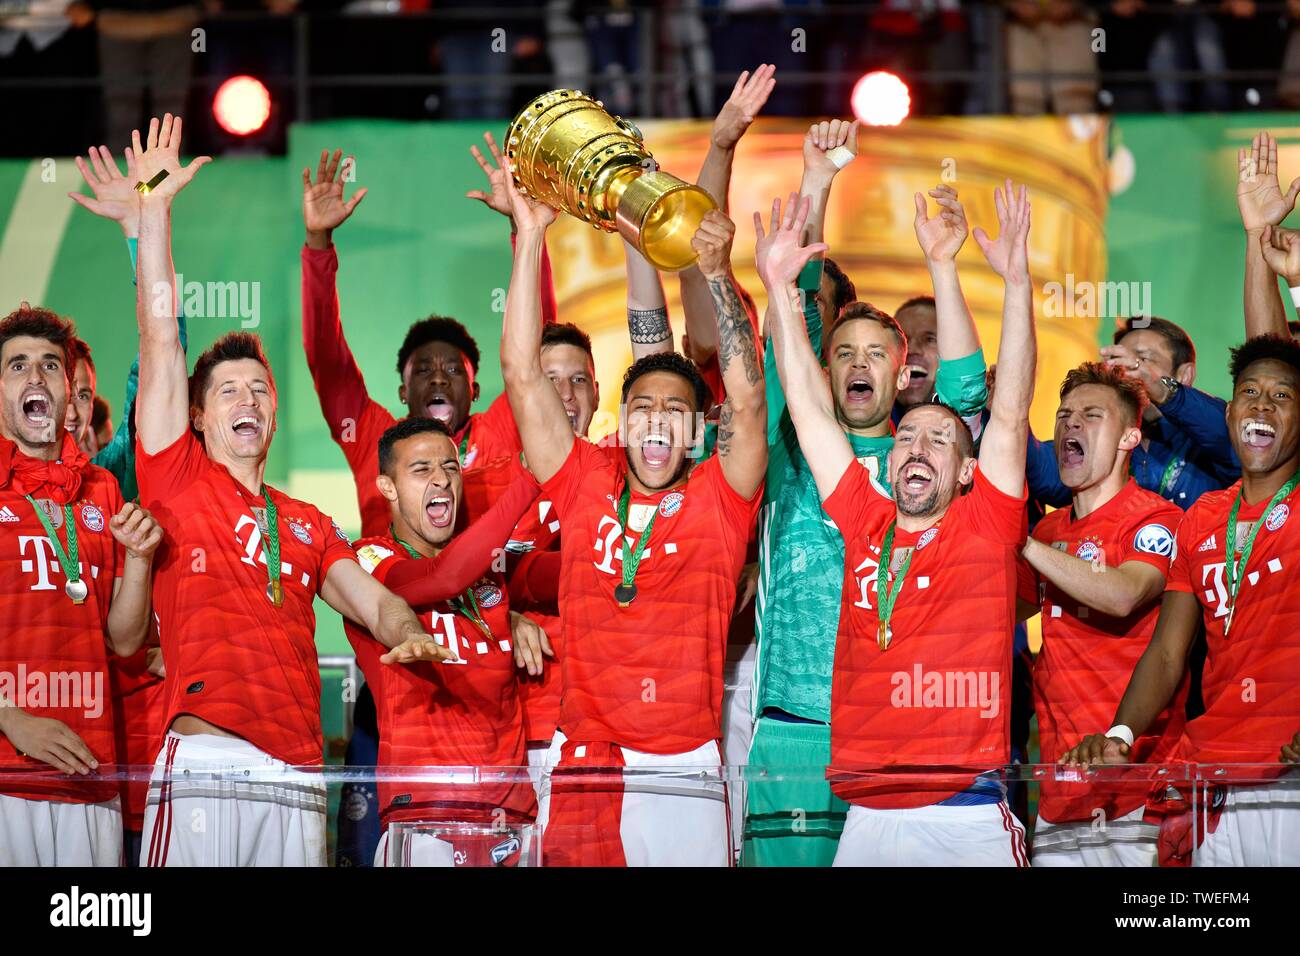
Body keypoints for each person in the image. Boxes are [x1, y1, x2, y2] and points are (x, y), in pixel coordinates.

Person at [130, 114, 450, 867]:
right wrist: (153, 213)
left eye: (260, 389)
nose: (248, 400)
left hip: (301, 775)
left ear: (275, 411)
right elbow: (157, 338)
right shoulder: (174, 477)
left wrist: (404, 630)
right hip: (208, 766)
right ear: (199, 418)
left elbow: (368, 599)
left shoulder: (306, 522)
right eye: (229, 391)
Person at [500, 166, 766, 866]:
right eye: (644, 406)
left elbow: (748, 400)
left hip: (686, 770)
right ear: (625, 421)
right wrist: (529, 238)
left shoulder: (721, 494)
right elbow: (522, 374)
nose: (657, 420)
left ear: (694, 431)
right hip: (589, 760)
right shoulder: (587, 479)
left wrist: (715, 271)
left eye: (675, 411)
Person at [766, 179, 1034, 865]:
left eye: (940, 439)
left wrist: (1016, 281)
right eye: (907, 437)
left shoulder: (989, 525)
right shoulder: (862, 518)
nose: (916, 446)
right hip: (869, 816)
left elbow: (1006, 409)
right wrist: (775, 286)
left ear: (969, 472)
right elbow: (803, 399)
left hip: (967, 813)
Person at [1064, 334, 1300, 867]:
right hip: (1213, 772)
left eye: (1282, 396)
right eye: (1249, 391)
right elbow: (1169, 653)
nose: (1261, 405)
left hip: (1290, 773)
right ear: (1231, 407)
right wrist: (1121, 734)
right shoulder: (1203, 517)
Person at [345, 417, 550, 866]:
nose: (441, 479)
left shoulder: (493, 566)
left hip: (512, 818)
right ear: (388, 486)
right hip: (425, 818)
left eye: (451, 468)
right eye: (421, 470)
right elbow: (444, 576)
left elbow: (569, 575)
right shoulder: (368, 560)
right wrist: (530, 479)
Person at [0, 303, 162, 866]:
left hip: (94, 773)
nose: (35, 376)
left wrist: (139, 560)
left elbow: (123, 641)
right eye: (17, 366)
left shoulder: (102, 492)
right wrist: (10, 719)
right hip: (6, 775)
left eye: (49, 365)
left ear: (71, 392)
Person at [1018, 362, 1186, 866]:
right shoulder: (1048, 536)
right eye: (1065, 414)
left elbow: (1121, 595)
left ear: (1130, 436)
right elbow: (994, 614)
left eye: (1092, 415)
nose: (1071, 423)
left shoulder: (1157, 518)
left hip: (1137, 788)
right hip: (1060, 787)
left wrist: (1018, 541)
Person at [1028, 315, 1240, 511]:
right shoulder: (1098, 443)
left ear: (1185, 375)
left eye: (1143, 359)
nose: (1125, 370)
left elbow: (1229, 434)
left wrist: (1159, 387)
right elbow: (1033, 464)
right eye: (1116, 362)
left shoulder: (1210, 437)